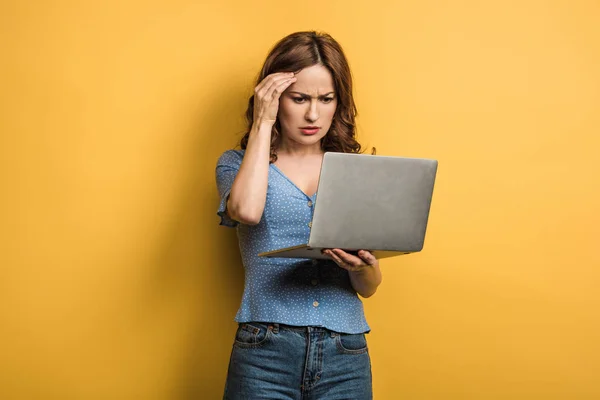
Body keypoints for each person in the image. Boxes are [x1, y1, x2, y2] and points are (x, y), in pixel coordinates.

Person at [215, 31, 382, 400]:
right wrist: (262, 124)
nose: (312, 114)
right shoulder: (236, 164)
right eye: (299, 98)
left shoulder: (357, 171)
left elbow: (368, 287)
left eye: (326, 99)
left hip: (346, 353)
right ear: (274, 100)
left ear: (340, 102)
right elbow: (246, 210)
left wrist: (362, 267)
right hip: (264, 352)